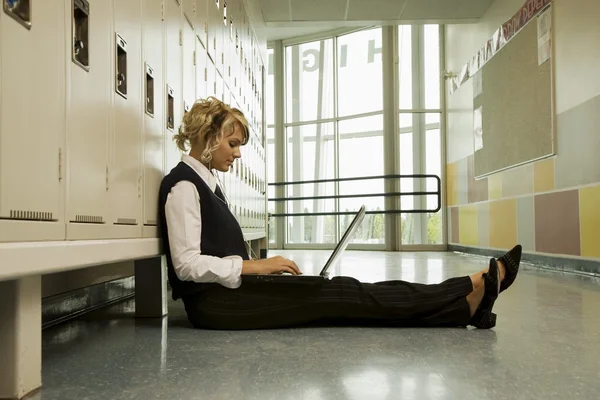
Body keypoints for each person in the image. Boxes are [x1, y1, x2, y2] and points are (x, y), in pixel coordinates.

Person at [158, 97, 522, 331]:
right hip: (218, 307)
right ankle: (471, 286)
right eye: (232, 144)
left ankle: (465, 306)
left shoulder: (206, 183)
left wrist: (258, 270)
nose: (237, 154)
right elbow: (186, 264)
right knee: (342, 295)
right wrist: (256, 266)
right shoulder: (184, 186)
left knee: (340, 296)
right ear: (207, 137)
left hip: (235, 295)